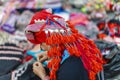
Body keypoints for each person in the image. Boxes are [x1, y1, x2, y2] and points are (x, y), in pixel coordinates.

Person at [25, 8, 103, 80]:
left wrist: (43, 76)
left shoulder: (69, 69)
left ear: (53, 41)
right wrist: (50, 54)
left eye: (41, 43)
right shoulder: (79, 44)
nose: (41, 48)